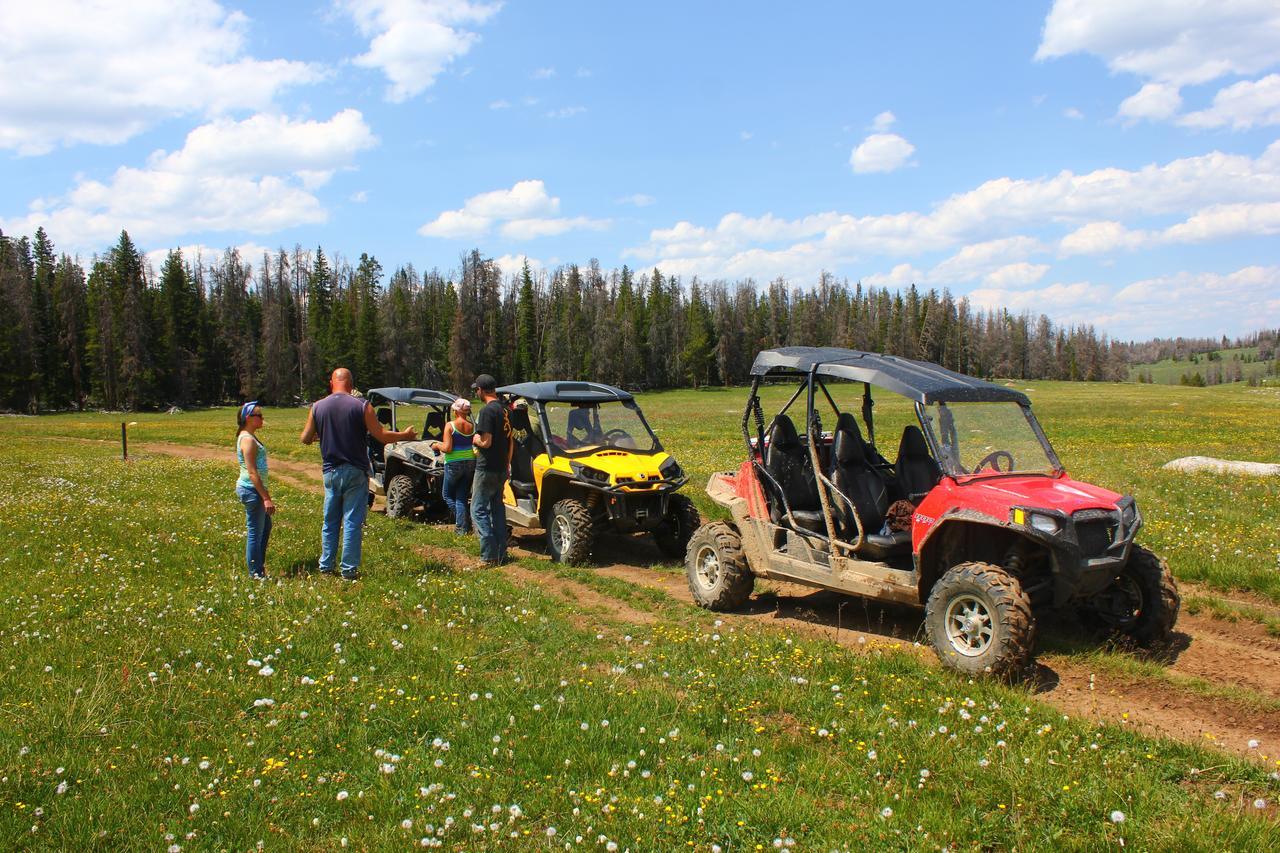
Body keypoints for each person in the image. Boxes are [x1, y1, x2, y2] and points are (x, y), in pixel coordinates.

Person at [300, 368, 416, 579]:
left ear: (331, 383)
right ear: (351, 384)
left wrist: (320, 434)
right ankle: (348, 569)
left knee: (330, 521)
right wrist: (405, 435)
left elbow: (305, 438)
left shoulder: (317, 407)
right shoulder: (362, 405)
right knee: (352, 521)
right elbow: (380, 435)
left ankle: (326, 567)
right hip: (355, 470)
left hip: (331, 471)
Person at [470, 374, 512, 565]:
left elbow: (486, 442)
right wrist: (507, 464)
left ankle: (489, 555)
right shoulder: (505, 410)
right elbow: (511, 441)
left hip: (486, 468)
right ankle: (502, 552)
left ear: (480, 390)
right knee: (497, 509)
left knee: (478, 509)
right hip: (502, 467)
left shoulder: (488, 411)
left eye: (476, 390)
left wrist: (475, 439)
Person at [235, 401, 274, 580]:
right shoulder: (248, 440)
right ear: (249, 418)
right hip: (252, 491)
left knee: (265, 527)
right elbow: (252, 472)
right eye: (259, 416)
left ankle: (258, 565)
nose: (263, 419)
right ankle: (256, 573)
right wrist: (265, 498)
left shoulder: (250, 436)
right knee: (255, 532)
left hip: (256, 490)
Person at [431, 397, 476, 535]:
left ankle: (464, 523)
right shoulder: (471, 426)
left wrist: (436, 445)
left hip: (453, 463)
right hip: (470, 462)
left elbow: (448, 448)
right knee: (461, 497)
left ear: (456, 411)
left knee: (447, 495)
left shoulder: (450, 425)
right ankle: (463, 528)